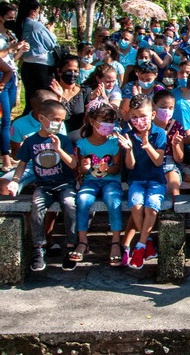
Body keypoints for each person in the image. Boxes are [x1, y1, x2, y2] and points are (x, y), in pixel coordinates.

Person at [9, 100, 78, 272]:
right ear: (42, 118)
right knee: (37, 206)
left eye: (61, 120)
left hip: (64, 184)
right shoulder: (31, 141)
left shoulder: (64, 140)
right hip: (43, 185)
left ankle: (70, 245)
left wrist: (59, 149)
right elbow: (22, 163)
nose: (58, 123)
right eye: (55, 119)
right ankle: (38, 248)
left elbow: (73, 164)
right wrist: (15, 181)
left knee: (70, 205)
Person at [115, 94, 167, 270]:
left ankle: (140, 247)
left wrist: (147, 146)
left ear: (152, 115)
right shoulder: (127, 134)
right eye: (134, 117)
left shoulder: (159, 133)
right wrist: (129, 150)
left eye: (143, 116)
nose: (139, 120)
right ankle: (148, 243)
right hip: (136, 179)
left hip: (156, 181)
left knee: (151, 207)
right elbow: (130, 166)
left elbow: (159, 161)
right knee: (136, 206)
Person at [71, 102, 123, 265]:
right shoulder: (83, 144)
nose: (109, 125)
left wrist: (108, 168)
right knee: (82, 200)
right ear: (93, 122)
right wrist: (84, 168)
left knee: (113, 200)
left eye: (111, 121)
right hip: (90, 182)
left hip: (111, 181)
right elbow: (82, 170)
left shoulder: (115, 143)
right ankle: (82, 241)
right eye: (105, 121)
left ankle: (115, 241)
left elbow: (117, 168)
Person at [16, 0, 58, 113]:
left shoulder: (20, 25)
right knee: (45, 99)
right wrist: (50, 31)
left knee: (31, 99)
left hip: (27, 66)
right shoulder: (36, 26)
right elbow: (51, 43)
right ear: (34, 11)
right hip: (42, 68)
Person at [0, 2, 27, 172]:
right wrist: (11, 48)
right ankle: (5, 160)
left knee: (7, 119)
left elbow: (13, 58)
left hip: (11, 77)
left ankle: (8, 156)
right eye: (9, 17)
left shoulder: (9, 34)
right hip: (2, 77)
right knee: (5, 120)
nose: (11, 20)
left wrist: (21, 50)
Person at [49, 56, 92, 136]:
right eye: (68, 71)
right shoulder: (51, 91)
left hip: (79, 135)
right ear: (59, 71)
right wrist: (58, 98)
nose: (72, 74)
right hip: (56, 133)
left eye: (76, 71)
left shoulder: (85, 92)